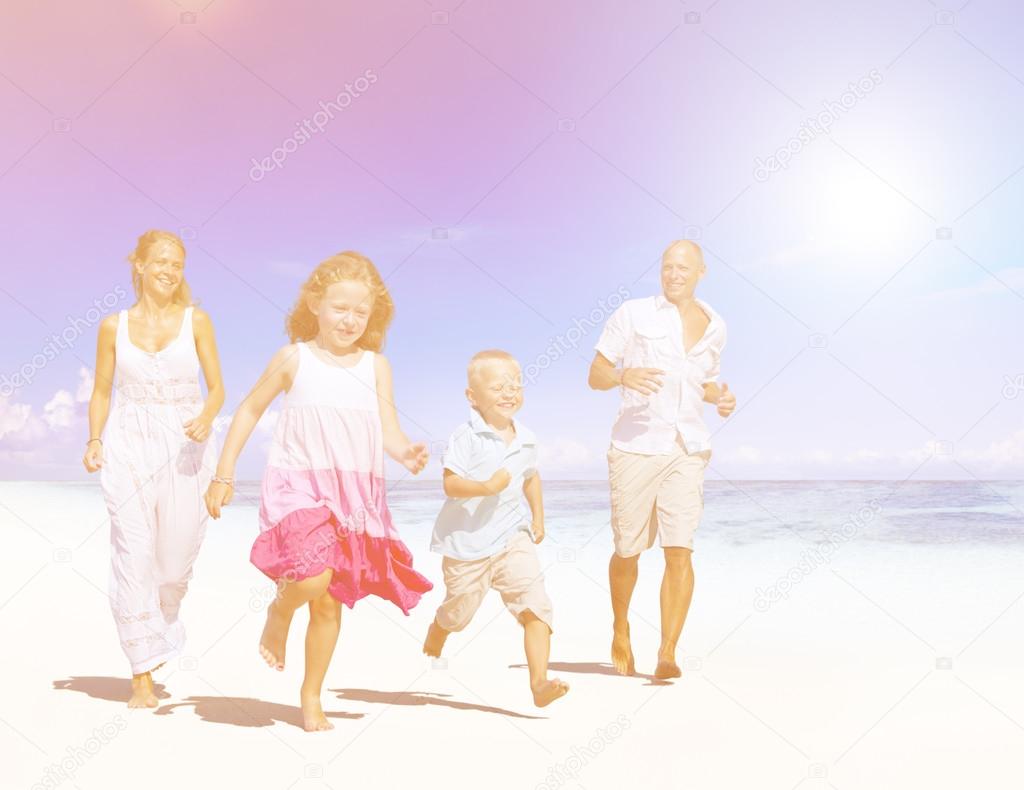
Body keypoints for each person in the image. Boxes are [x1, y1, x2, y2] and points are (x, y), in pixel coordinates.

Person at [204, 250, 433, 732]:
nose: (349, 320)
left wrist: (405, 452)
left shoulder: (376, 366)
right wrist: (224, 474)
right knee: (309, 580)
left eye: (360, 312)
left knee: (329, 600)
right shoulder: (294, 358)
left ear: (373, 316)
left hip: (353, 493)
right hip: (297, 482)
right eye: (339, 308)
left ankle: (311, 697)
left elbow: (387, 429)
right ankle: (279, 610)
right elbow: (247, 410)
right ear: (314, 303)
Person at [83, 229, 224, 708]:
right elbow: (102, 391)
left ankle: (161, 624)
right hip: (129, 445)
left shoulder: (197, 320)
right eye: (160, 261)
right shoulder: (111, 326)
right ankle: (140, 670)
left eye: (177, 264)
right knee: (133, 553)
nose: (169, 270)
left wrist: (206, 416)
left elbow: (218, 388)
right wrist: (96, 439)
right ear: (139, 265)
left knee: (174, 561)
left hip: (186, 445)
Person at [588, 240, 736, 679]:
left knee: (680, 549)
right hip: (635, 445)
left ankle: (667, 652)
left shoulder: (715, 326)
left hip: (687, 448)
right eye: (668, 267)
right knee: (628, 551)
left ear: (701, 271)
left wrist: (720, 398)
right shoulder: (634, 314)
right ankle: (620, 626)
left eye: (683, 268)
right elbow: (595, 374)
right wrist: (621, 375)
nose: (674, 274)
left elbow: (704, 383)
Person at [422, 350, 569, 707]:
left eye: (515, 386)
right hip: (467, 546)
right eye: (498, 387)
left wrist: (538, 517)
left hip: (511, 538)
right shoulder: (466, 436)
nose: (509, 393)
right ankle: (439, 628)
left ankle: (539, 683)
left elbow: (530, 477)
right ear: (473, 397)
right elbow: (451, 485)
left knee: (536, 606)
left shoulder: (526, 437)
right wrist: (486, 487)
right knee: (459, 614)